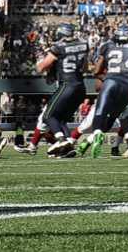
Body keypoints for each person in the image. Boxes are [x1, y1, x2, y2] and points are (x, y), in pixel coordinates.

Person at [77, 25, 128, 154]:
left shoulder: (108, 46)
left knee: (100, 112)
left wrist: (108, 76)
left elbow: (96, 71)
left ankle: (95, 135)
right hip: (126, 85)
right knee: (119, 115)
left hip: (110, 82)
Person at [36, 25, 91, 157]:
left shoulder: (59, 47)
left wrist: (39, 61)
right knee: (60, 120)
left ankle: (61, 139)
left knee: (48, 116)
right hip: (81, 87)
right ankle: (69, 148)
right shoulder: (83, 45)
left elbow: (42, 67)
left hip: (67, 85)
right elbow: (84, 68)